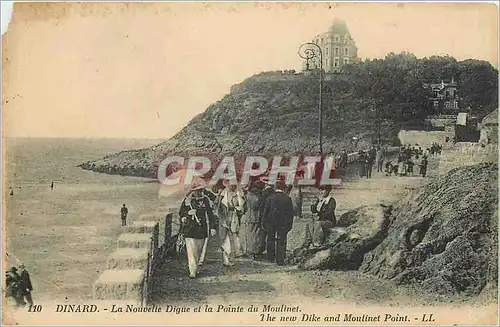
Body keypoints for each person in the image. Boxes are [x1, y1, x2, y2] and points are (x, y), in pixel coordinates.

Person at [179, 185, 217, 278]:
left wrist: (213, 227)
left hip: (202, 229)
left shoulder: (205, 200)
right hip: (190, 229)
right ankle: (192, 271)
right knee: (191, 251)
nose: (197, 192)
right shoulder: (188, 200)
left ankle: (197, 268)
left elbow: (210, 214)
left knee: (199, 251)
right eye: (196, 191)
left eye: (200, 190)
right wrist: (187, 213)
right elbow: (181, 212)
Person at [261, 180, 294, 265]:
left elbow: (266, 211)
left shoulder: (270, 198)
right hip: (283, 223)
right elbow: (290, 213)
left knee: (270, 239)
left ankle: (270, 258)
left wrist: (263, 222)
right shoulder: (287, 198)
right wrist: (289, 225)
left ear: (275, 188)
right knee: (282, 240)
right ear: (284, 188)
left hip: (271, 222)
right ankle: (280, 259)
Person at [214, 183, 247, 267]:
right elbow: (216, 207)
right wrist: (220, 217)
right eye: (231, 185)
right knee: (224, 238)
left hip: (234, 218)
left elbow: (243, 207)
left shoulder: (239, 194)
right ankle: (225, 259)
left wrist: (239, 210)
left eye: (234, 185)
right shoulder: (222, 194)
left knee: (233, 238)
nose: (233, 187)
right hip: (224, 219)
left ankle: (231, 258)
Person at [244, 181, 265, 260]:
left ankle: (252, 250)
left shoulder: (248, 195)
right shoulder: (254, 197)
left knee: (251, 234)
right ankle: (253, 251)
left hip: (250, 217)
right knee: (254, 235)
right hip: (254, 217)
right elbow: (255, 205)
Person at [258, 176, 275, 255]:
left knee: (262, 234)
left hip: (264, 216)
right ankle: (270, 252)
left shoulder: (265, 193)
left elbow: (262, 206)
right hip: (273, 216)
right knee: (271, 236)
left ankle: (260, 249)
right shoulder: (273, 192)